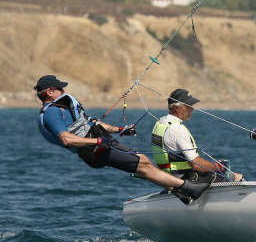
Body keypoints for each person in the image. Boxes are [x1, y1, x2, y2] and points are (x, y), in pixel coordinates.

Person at [34, 75, 209, 204]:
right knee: (143, 165)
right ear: (50, 92)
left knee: (143, 161)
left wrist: (120, 130)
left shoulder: (63, 106)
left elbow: (91, 123)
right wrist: (98, 142)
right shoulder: (51, 113)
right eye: (60, 89)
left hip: (101, 141)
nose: (64, 91)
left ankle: (179, 191)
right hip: (94, 150)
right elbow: (67, 139)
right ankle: (188, 189)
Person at [151, 88, 243, 184]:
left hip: (169, 178)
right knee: (236, 177)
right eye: (188, 106)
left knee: (228, 174)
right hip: (186, 180)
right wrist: (218, 167)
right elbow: (196, 164)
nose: (192, 108)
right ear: (176, 108)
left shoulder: (160, 123)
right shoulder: (177, 129)